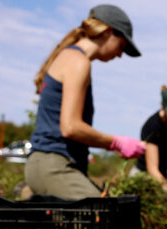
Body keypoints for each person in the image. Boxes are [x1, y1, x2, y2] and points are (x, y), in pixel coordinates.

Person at [26, 4, 146, 200]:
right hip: (54, 166)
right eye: (121, 46)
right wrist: (116, 143)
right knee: (106, 216)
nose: (119, 54)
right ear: (107, 32)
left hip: (47, 164)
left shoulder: (70, 57)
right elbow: (70, 127)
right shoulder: (78, 62)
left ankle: (31, 191)